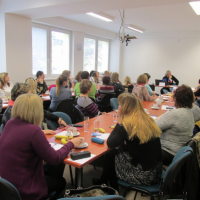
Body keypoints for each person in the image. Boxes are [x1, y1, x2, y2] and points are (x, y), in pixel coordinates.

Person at [0, 93, 83, 200]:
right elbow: (55, 158)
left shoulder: (10, 124)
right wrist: (71, 143)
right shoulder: (34, 131)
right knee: (61, 181)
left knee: (55, 165)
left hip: (6, 185)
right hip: (26, 190)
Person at [93, 93, 162, 190]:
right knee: (112, 154)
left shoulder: (128, 124)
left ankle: (113, 189)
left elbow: (110, 143)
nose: (118, 107)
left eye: (120, 105)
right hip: (156, 171)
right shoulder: (146, 119)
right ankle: (103, 182)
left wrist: (120, 121)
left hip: (144, 175)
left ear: (125, 108)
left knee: (111, 155)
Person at [156, 85, 194, 166]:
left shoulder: (175, 114)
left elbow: (154, 127)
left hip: (167, 152)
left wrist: (161, 117)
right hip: (179, 151)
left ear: (176, 98)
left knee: (140, 145)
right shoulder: (190, 112)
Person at [2, 83, 67, 129]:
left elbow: (42, 112)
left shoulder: (23, 107)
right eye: (29, 95)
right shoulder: (11, 113)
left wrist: (58, 119)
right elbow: (20, 134)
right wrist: (40, 132)